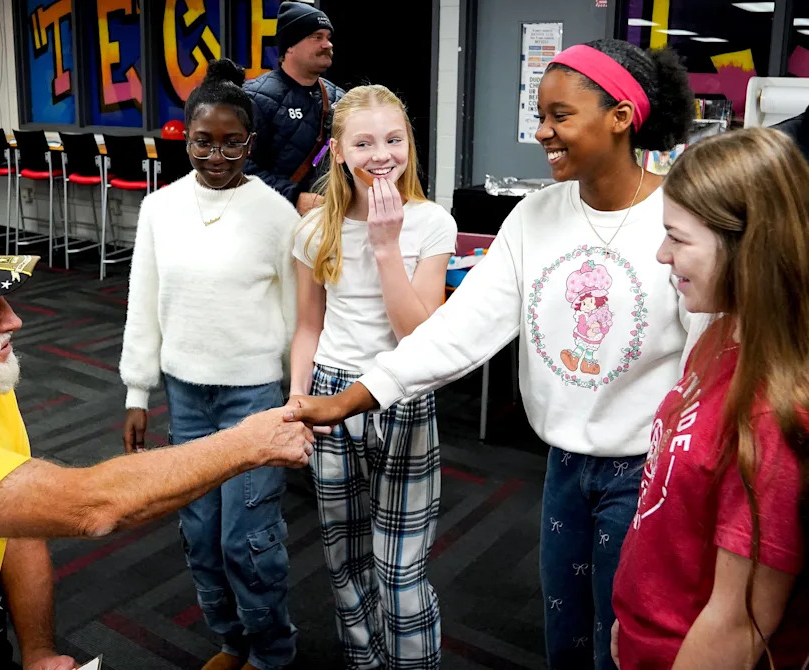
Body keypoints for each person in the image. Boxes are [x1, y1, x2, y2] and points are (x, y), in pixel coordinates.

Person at [284, 40, 702, 670]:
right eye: (541, 115)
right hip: (564, 466)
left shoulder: (681, 215)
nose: (541, 132)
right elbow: (461, 330)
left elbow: (712, 355)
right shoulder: (535, 216)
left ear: (620, 117)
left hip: (649, 469)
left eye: (559, 116)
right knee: (566, 632)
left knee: (629, 636)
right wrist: (350, 398)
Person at [0, 221, 313, 670]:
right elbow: (92, 505)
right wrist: (249, 442)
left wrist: (38, 651)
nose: (14, 319)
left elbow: (19, 524)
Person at [120, 59, 300, 670]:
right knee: (198, 534)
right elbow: (143, 302)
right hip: (185, 395)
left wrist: (292, 401)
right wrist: (137, 392)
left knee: (245, 539)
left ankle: (272, 653)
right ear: (186, 138)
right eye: (203, 141)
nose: (216, 155)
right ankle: (231, 641)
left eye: (231, 142)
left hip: (253, 396)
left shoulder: (278, 215)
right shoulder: (159, 209)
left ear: (251, 143)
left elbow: (299, 315)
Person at [610, 128, 809, 669]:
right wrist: (630, 618)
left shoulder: (772, 414)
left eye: (678, 237)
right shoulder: (722, 335)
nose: (661, 254)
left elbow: (739, 624)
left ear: (748, 247)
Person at [290, 84, 457, 669]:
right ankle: (364, 662)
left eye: (394, 139)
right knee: (343, 555)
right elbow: (308, 329)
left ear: (410, 143)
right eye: (363, 142)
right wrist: (297, 399)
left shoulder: (431, 223)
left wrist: (387, 248)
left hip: (402, 390)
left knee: (399, 570)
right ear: (338, 151)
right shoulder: (314, 231)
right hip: (331, 391)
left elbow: (421, 338)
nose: (380, 153)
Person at [243, 1, 345, 216]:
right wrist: (293, 196)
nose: (328, 44)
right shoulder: (254, 97)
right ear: (289, 46)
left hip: (328, 225)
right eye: (317, 37)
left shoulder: (340, 98)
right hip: (273, 223)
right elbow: (239, 169)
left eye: (328, 37)